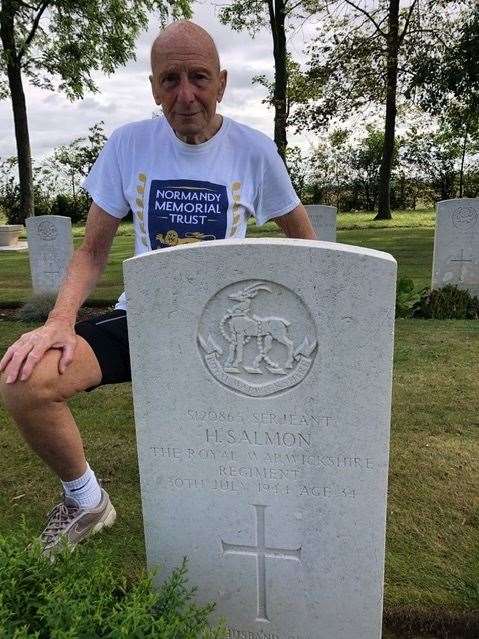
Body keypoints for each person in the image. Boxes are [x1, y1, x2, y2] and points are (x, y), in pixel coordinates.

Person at [0, 20, 316, 555]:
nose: (186, 95)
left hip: (223, 334)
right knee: (22, 383)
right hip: (144, 320)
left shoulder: (256, 151)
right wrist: (58, 323)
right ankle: (86, 500)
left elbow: (306, 248)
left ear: (222, 82)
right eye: (170, 80)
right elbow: (92, 251)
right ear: (152, 87)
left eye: (199, 77)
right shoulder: (128, 146)